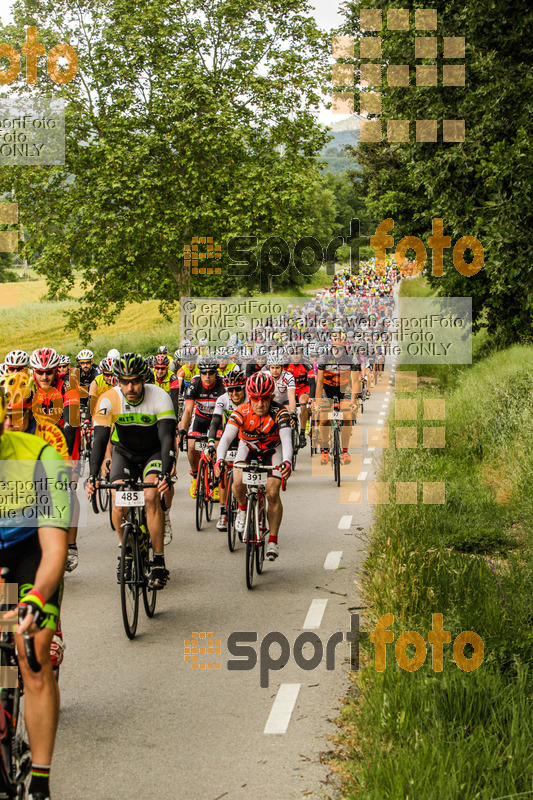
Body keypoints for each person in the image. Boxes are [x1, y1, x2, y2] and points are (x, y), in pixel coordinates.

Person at [0, 385, 71, 800]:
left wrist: (35, 597)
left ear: (6, 422)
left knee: (33, 652)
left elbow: (54, 548)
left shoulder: (41, 458)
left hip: (30, 552)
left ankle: (40, 784)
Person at [87, 353, 176, 588]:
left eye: (135, 380)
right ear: (116, 380)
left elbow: (167, 438)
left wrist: (165, 474)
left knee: (150, 496)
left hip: (152, 453)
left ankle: (158, 561)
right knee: (118, 500)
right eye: (124, 381)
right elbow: (99, 439)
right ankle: (126, 552)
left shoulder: (160, 396)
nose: (130, 387)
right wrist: (93, 474)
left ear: (144, 379)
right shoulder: (107, 399)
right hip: (124, 453)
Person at [215, 372, 292, 561]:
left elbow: (287, 440)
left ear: (271, 397)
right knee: (238, 481)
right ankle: (242, 508)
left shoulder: (279, 412)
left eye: (265, 398)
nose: (260, 404)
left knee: (272, 493)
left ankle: (273, 540)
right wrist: (219, 458)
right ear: (250, 397)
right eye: (256, 399)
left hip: (272, 450)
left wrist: (287, 462)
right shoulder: (241, 411)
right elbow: (226, 438)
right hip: (247, 448)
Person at [30, 348, 81, 572]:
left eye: (49, 372)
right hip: (38, 443)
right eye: (40, 372)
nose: (44, 377)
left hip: (68, 443)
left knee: (69, 491)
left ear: (55, 371)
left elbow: (71, 424)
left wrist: (68, 464)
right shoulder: (28, 387)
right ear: (33, 371)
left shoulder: (69, 384)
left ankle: (70, 546)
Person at [178, 355, 225, 498]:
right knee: (191, 445)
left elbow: (224, 413)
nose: (207, 376)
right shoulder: (195, 383)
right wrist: (183, 430)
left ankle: (217, 482)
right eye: (204, 372)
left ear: (216, 372)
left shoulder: (222, 384)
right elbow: (187, 410)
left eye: (211, 372)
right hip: (200, 419)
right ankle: (195, 476)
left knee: (217, 446)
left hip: (217, 420)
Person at [206, 365, 247, 531]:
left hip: (246, 438)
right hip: (229, 437)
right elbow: (215, 421)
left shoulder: (251, 399)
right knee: (223, 470)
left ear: (243, 388)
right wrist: (210, 442)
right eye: (231, 391)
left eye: (238, 390)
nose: (235, 394)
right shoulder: (222, 399)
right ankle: (223, 513)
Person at [314, 329, 358, 466]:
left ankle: (345, 451)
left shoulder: (351, 359)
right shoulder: (324, 358)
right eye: (334, 347)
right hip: (327, 391)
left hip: (344, 390)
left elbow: (356, 381)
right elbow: (320, 382)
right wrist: (317, 402)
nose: (336, 350)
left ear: (344, 348)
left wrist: (353, 401)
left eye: (339, 348)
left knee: (348, 416)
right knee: (324, 419)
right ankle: (325, 450)